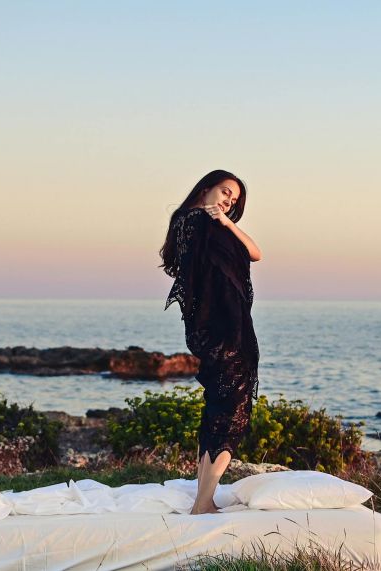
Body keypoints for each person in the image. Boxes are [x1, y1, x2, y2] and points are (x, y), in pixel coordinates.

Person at [159, 169, 262, 515]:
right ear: (206, 189)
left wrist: (228, 223)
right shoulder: (193, 221)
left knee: (217, 410)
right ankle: (203, 503)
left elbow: (255, 252)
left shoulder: (212, 226)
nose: (228, 201)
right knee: (233, 413)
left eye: (233, 200)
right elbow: (199, 275)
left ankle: (204, 498)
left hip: (222, 329)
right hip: (222, 330)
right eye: (224, 192)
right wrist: (216, 222)